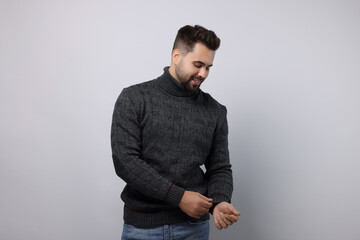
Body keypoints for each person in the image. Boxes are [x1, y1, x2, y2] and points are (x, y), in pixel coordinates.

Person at [111, 25, 240, 240]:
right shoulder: (134, 98)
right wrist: (179, 197)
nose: (203, 74)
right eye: (198, 65)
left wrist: (220, 201)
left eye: (208, 67)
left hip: (194, 229)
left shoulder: (215, 111)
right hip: (142, 229)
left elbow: (219, 167)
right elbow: (126, 162)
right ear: (177, 55)